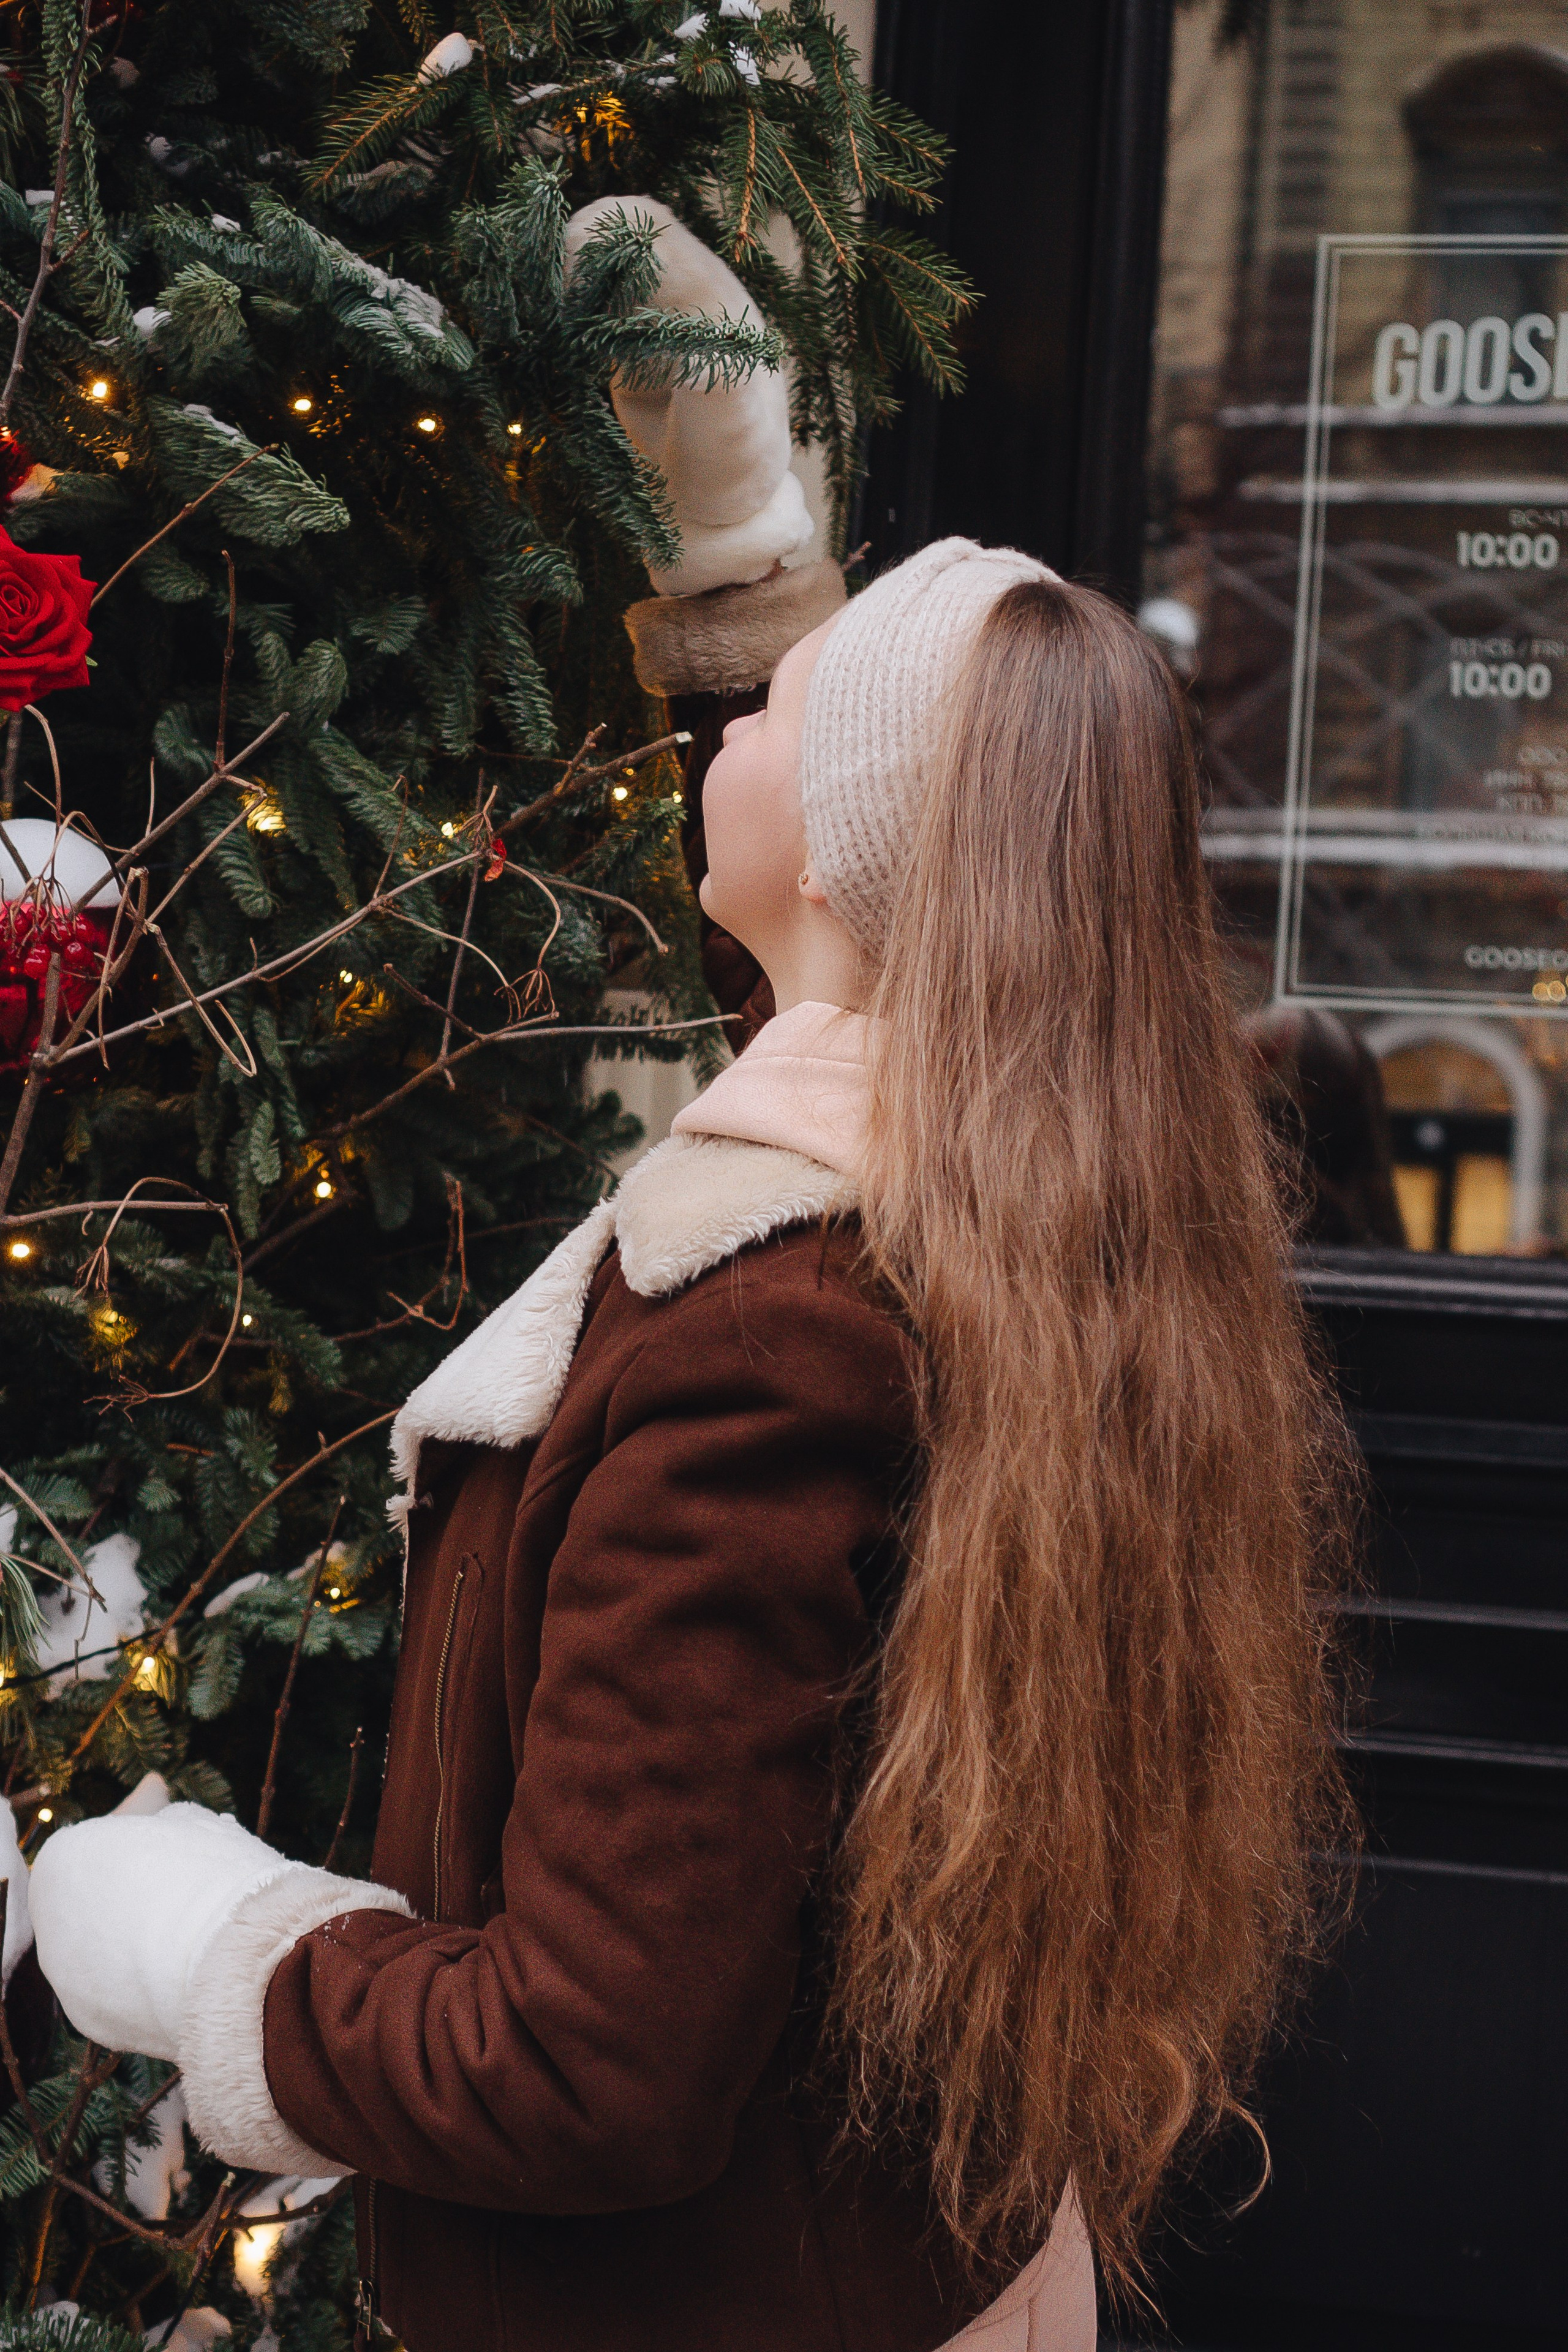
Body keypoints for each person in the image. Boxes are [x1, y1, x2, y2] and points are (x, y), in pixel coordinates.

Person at [30, 540, 1351, 2352]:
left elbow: (592, 2067)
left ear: (840, 852)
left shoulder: (769, 1346)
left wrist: (203, 1947)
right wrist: (737, 541)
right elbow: (829, 933)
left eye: (773, 710)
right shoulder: (1016, 1215)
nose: (720, 732)